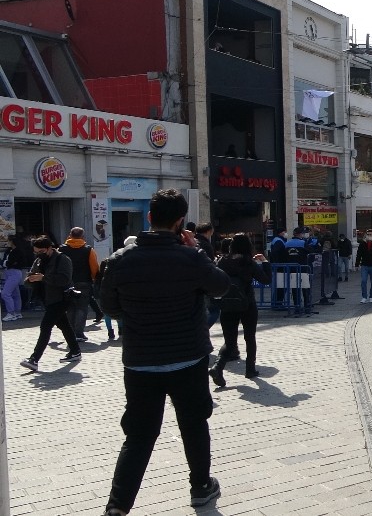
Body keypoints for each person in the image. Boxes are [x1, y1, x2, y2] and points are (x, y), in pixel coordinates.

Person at [99, 188, 230, 514]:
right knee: (194, 423)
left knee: (139, 436)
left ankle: (117, 507)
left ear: (149, 218)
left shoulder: (119, 261)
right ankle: (200, 487)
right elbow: (221, 286)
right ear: (181, 222)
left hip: (141, 361)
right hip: (188, 358)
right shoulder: (190, 258)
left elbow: (109, 307)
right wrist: (197, 251)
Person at [209, 233, 271, 387]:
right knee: (250, 337)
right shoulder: (248, 262)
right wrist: (265, 262)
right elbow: (266, 279)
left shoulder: (222, 261)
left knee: (229, 342)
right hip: (247, 304)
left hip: (227, 304)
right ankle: (250, 369)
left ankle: (218, 367)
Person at [18, 236, 83, 370]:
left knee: (45, 326)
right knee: (64, 325)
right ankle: (75, 351)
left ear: (49, 248)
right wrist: (30, 279)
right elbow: (28, 281)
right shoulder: (38, 260)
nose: (38, 254)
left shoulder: (62, 259)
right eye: (35, 252)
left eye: (40, 251)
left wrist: (43, 278)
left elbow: (64, 280)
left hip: (61, 299)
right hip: (47, 299)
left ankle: (34, 359)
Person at [59, 227, 99, 342]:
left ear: (70, 235)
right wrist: (94, 278)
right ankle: (79, 333)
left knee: (70, 307)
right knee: (82, 307)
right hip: (84, 281)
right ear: (83, 236)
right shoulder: (88, 250)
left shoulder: (61, 249)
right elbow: (94, 267)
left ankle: (70, 332)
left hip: (67, 282)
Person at [2, 234, 31, 321]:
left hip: (14, 272)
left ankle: (11, 312)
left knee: (5, 293)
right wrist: (6, 263)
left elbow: (10, 262)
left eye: (9, 241)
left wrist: (6, 263)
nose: (8, 242)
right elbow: (7, 262)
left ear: (13, 242)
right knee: (15, 293)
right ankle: (17, 312)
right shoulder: (9, 250)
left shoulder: (18, 251)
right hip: (9, 272)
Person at [355, 228, 372, 303]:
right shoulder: (362, 244)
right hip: (364, 265)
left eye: (370, 234)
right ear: (365, 235)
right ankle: (364, 297)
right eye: (368, 234)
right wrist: (357, 264)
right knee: (363, 281)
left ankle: (371, 296)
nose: (369, 236)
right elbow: (359, 254)